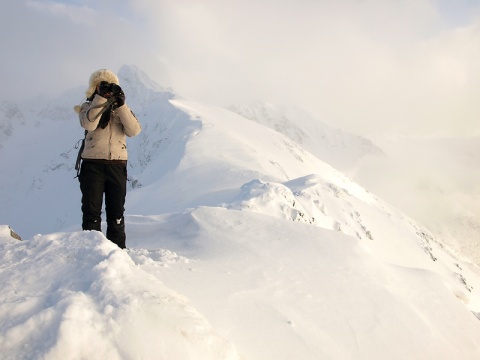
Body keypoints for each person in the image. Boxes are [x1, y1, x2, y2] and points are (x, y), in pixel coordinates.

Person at [73, 69, 141, 248]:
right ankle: (90, 254)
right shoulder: (87, 107)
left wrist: (121, 105)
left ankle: (118, 255)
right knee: (91, 213)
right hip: (92, 164)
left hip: (117, 165)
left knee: (116, 214)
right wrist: (101, 99)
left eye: (110, 86)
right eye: (102, 85)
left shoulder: (121, 109)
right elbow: (90, 123)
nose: (107, 90)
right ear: (94, 88)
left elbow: (134, 131)